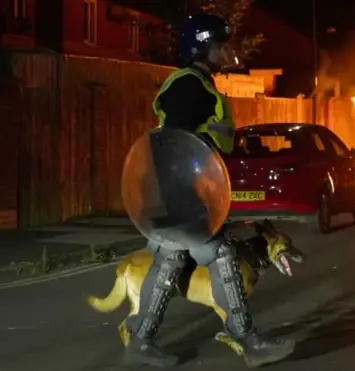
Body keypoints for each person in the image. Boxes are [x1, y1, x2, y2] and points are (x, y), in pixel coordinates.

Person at [122, 14, 296, 368]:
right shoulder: (189, 86)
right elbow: (174, 147)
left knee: (169, 260)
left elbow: (200, 146)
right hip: (182, 199)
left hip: (182, 198)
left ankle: (140, 340)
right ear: (201, 46)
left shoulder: (201, 85)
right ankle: (247, 340)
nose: (225, 51)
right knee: (220, 255)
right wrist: (185, 200)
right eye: (219, 44)